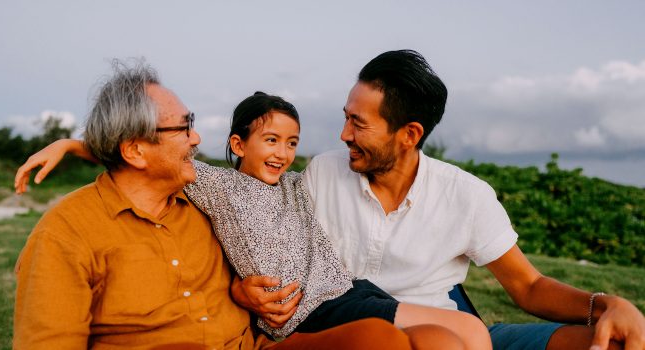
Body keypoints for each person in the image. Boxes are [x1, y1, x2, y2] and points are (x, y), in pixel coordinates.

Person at [230, 50, 645, 350]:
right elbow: (254, 219)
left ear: (409, 134)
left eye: (358, 123)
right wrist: (240, 288)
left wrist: (606, 305)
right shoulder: (321, 173)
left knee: (616, 343)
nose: (344, 134)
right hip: (348, 332)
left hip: (455, 334)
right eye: (345, 116)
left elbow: (529, 286)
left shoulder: (466, 195)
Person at [16, 91, 489, 349]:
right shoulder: (214, 186)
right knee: (458, 335)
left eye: (291, 142)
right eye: (271, 141)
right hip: (309, 311)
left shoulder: (294, 185)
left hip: (344, 289)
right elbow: (131, 151)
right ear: (239, 145)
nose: (283, 152)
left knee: (439, 337)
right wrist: (70, 144)